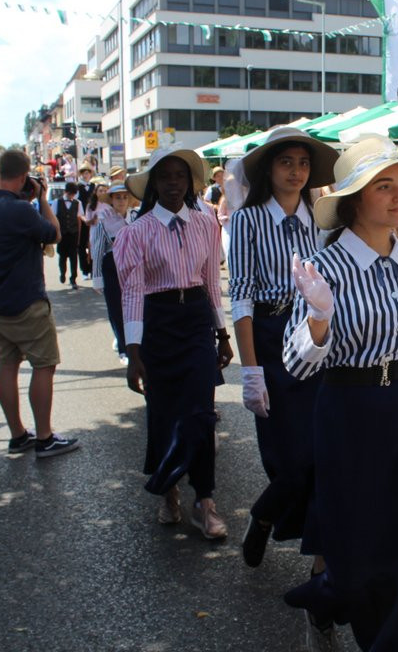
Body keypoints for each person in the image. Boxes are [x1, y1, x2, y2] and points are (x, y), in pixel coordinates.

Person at [282, 135, 398, 651]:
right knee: (357, 553)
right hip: (350, 413)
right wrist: (319, 320)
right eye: (383, 187)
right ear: (354, 199)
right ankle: (328, 598)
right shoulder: (322, 269)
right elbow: (294, 363)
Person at [227, 128, 337, 573]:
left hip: (315, 337)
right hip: (271, 337)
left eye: (303, 163)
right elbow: (241, 296)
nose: (296, 171)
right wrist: (250, 369)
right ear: (268, 170)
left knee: (322, 453)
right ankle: (264, 513)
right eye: (286, 162)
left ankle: (313, 554)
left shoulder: (321, 218)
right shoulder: (247, 220)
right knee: (289, 459)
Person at [114, 147, 233, 540]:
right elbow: (131, 293)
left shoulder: (206, 224)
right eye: (164, 176)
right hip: (158, 325)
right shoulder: (135, 232)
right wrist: (133, 352)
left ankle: (205, 501)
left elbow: (212, 283)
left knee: (202, 413)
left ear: (189, 182)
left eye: (179, 175)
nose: (172, 183)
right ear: (153, 183)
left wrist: (222, 333)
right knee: (164, 413)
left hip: (197, 320)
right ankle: (169, 490)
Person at [0, 149, 79, 458]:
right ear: (25, 175)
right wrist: (41, 199)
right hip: (26, 301)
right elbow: (53, 234)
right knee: (44, 365)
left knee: (7, 365)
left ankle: (17, 435)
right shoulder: (21, 210)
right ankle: (44, 437)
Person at [90, 183, 132, 365]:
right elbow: (98, 250)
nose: (121, 201)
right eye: (117, 197)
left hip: (134, 267)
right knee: (117, 309)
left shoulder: (137, 217)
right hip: (112, 267)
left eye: (124, 197)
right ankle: (124, 348)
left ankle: (136, 344)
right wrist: (97, 278)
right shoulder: (104, 220)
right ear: (112, 200)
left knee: (137, 307)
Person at [51, 182, 84, 289]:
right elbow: (54, 219)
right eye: (70, 194)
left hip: (73, 233)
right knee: (62, 256)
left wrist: (79, 235)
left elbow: (79, 220)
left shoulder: (78, 203)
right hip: (62, 234)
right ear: (65, 192)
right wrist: (56, 233)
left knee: (74, 257)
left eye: (73, 194)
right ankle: (62, 273)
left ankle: (73, 278)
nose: (71, 196)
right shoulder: (57, 202)